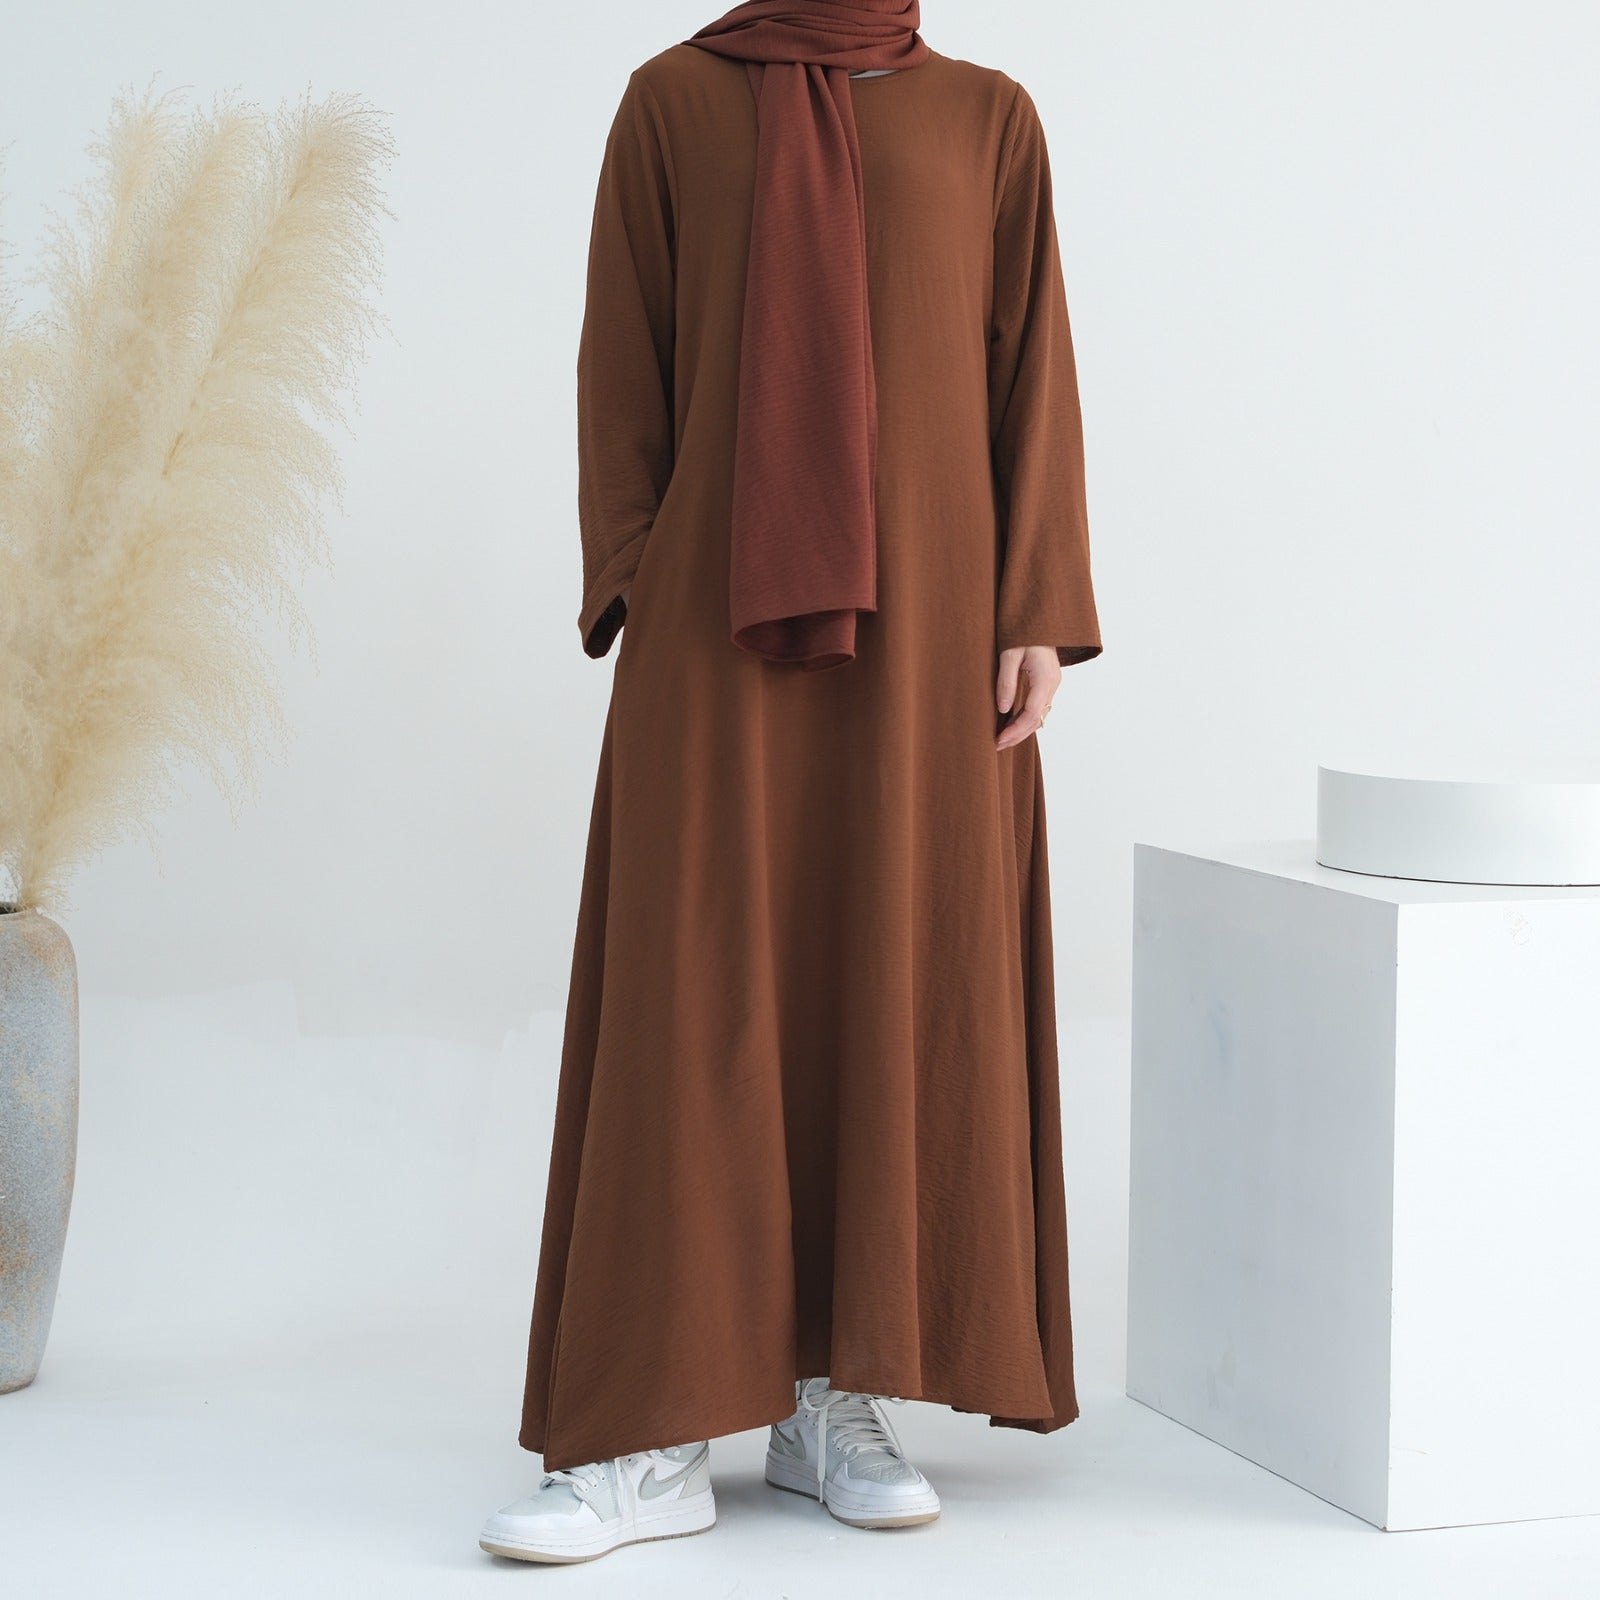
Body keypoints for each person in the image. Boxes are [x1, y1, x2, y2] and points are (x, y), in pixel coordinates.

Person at [480, 0, 1102, 1565]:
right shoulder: (672, 102)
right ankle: (649, 1429)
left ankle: (835, 1394)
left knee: (885, 977)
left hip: (936, 621)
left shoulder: (988, 116)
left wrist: (1035, 603)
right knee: (696, 990)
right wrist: (642, 579)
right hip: (719, 616)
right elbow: (623, 363)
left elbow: (1031, 365)